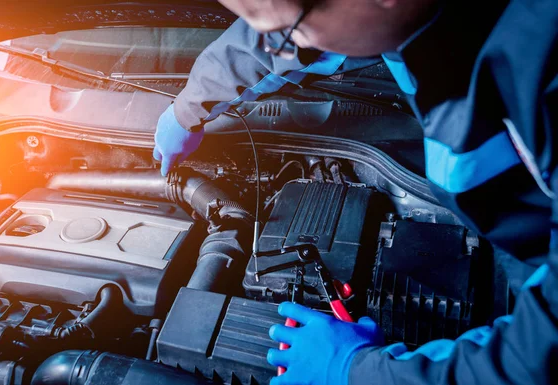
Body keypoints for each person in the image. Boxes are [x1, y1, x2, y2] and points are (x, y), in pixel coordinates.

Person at [153, 0, 558, 384]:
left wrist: (358, 371)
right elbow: (281, 27)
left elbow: (540, 357)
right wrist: (188, 108)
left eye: (285, 31)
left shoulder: (542, 75)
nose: (290, 46)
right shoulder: (409, 20)